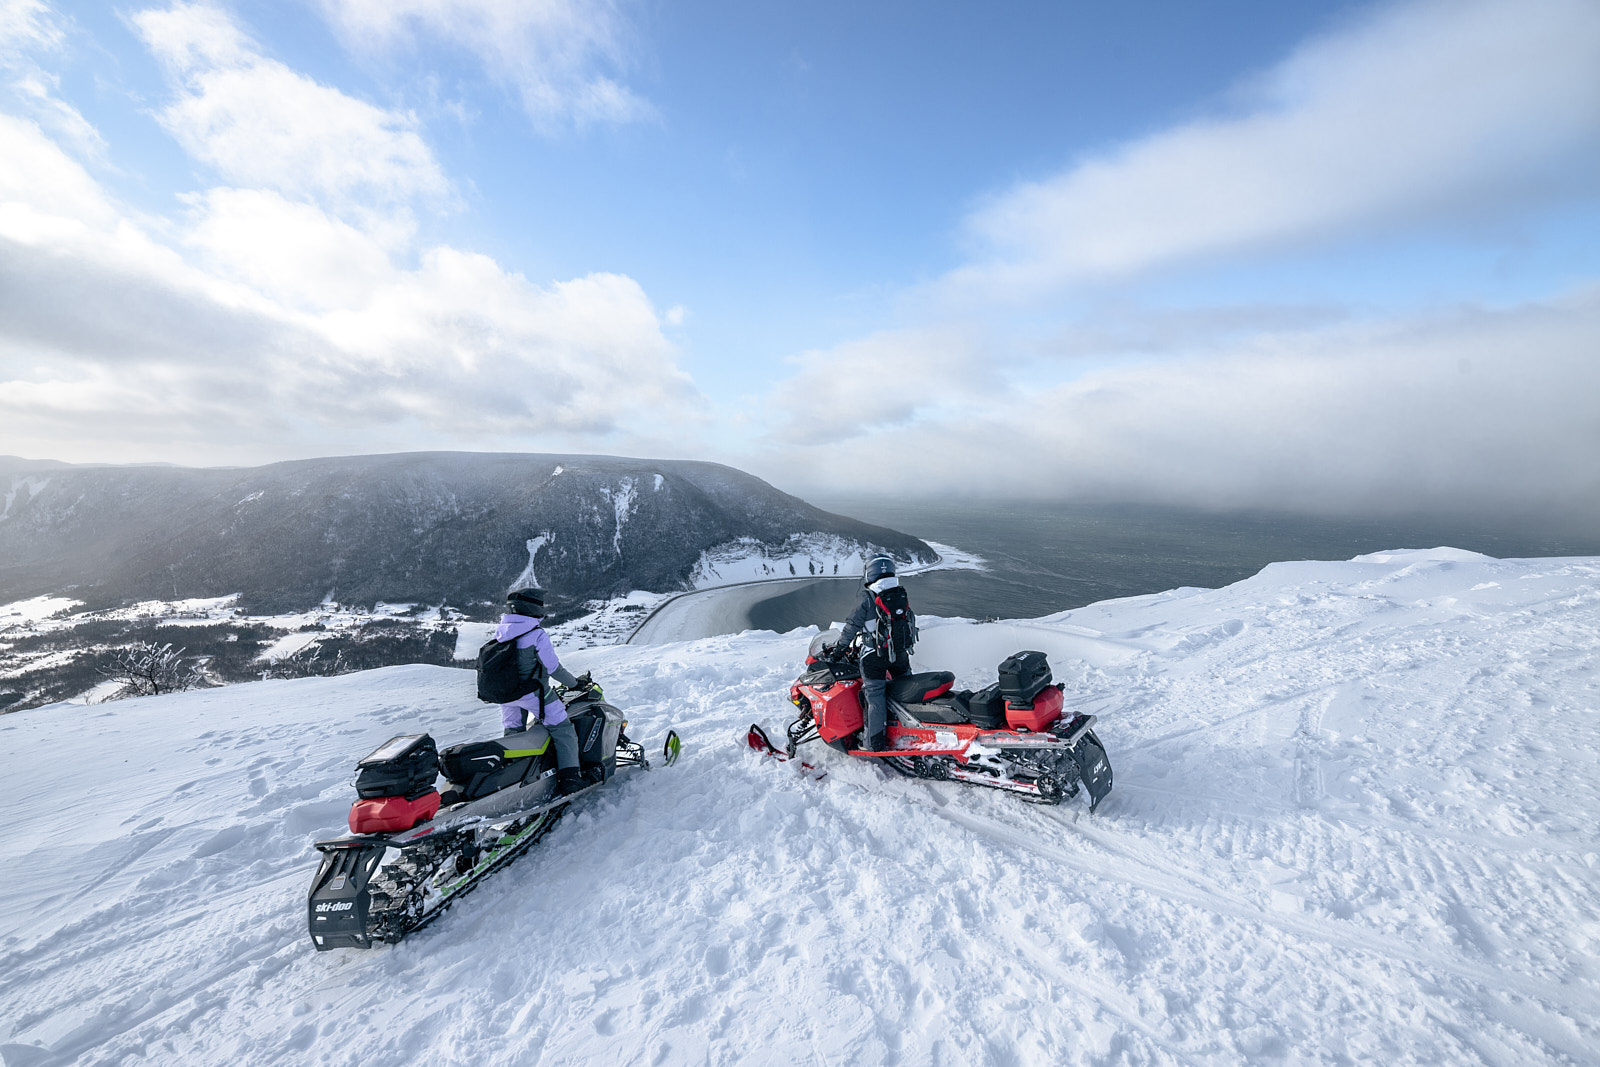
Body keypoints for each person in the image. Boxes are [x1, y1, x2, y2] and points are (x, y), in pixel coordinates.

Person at [496, 587, 587, 796]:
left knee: (513, 736)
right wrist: (574, 684)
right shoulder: (536, 634)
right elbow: (554, 669)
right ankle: (570, 780)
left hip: (507, 695)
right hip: (534, 694)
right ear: (533, 608)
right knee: (563, 730)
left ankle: (513, 782)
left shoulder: (501, 630)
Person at [836, 555, 917, 753]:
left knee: (875, 696)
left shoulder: (867, 597)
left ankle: (874, 742)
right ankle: (914, 730)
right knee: (907, 689)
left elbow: (852, 626)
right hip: (899, 653)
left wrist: (839, 649)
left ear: (870, 573)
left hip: (874, 656)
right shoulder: (899, 592)